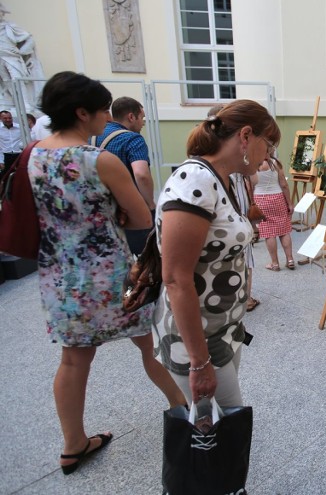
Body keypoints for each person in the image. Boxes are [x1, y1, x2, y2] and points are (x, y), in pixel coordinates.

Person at [27, 71, 184, 475]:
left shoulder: (33, 155)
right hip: (108, 273)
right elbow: (139, 216)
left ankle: (73, 444)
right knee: (148, 346)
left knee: (74, 360)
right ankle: (181, 407)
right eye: (100, 110)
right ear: (82, 113)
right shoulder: (100, 160)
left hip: (60, 274)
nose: (105, 117)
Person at [152, 99, 280, 407]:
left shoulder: (222, 177)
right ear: (246, 136)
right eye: (269, 146)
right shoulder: (195, 179)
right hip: (198, 341)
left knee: (225, 426)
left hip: (222, 330)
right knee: (220, 431)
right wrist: (198, 362)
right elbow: (176, 278)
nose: (269, 156)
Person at [207, 104, 260, 312]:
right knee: (245, 252)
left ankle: (236, 295)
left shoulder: (206, 158)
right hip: (236, 210)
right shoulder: (235, 155)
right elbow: (253, 178)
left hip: (225, 213)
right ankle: (245, 297)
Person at [92, 96, 155, 255]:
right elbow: (141, 174)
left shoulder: (93, 136)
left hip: (100, 208)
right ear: (131, 117)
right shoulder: (133, 139)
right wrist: (149, 203)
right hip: (128, 209)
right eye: (142, 117)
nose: (143, 122)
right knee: (143, 255)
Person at [251, 156, 295, 271]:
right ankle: (290, 259)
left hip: (260, 200)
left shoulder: (252, 162)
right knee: (284, 230)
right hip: (278, 198)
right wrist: (290, 203)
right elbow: (284, 184)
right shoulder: (276, 163)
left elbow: (249, 185)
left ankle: (275, 263)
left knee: (269, 232)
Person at [0, 3, 45, 109]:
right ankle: (15, 103)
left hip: (12, 56)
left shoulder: (9, 26)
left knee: (17, 78)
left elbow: (29, 39)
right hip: (0, 58)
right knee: (7, 81)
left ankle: (25, 103)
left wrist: (22, 51)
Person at [0, 109, 22, 180]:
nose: (8, 120)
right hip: (6, 156)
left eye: (10, 118)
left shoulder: (20, 127)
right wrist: (0, 161)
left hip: (19, 155)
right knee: (5, 177)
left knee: (19, 177)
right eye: (5, 118)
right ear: (0, 119)